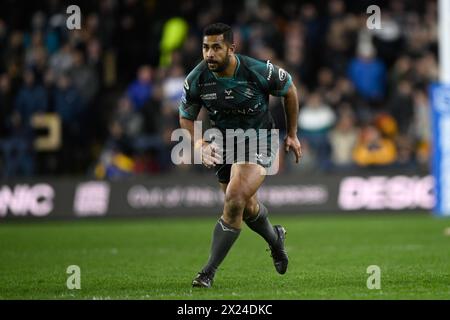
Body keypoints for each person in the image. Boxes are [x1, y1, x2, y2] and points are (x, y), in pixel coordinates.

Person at [178, 23, 302, 288]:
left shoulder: (257, 70)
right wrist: (199, 143)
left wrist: (291, 134)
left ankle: (207, 272)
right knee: (247, 208)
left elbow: (289, 89)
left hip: (260, 139)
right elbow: (186, 117)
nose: (209, 54)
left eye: (216, 47)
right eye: (205, 47)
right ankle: (275, 239)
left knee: (234, 200)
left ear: (231, 48)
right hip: (224, 143)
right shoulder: (197, 79)